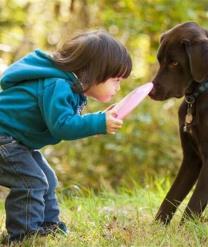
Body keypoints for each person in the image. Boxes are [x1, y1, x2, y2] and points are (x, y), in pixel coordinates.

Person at [0, 30, 132, 243]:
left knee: (47, 178)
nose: (118, 87)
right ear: (95, 71)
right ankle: (23, 236)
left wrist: (99, 119)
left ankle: (47, 224)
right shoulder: (57, 84)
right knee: (31, 181)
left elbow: (68, 120)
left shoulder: (70, 87)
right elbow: (62, 126)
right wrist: (99, 123)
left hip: (15, 141)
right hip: (4, 139)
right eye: (116, 80)